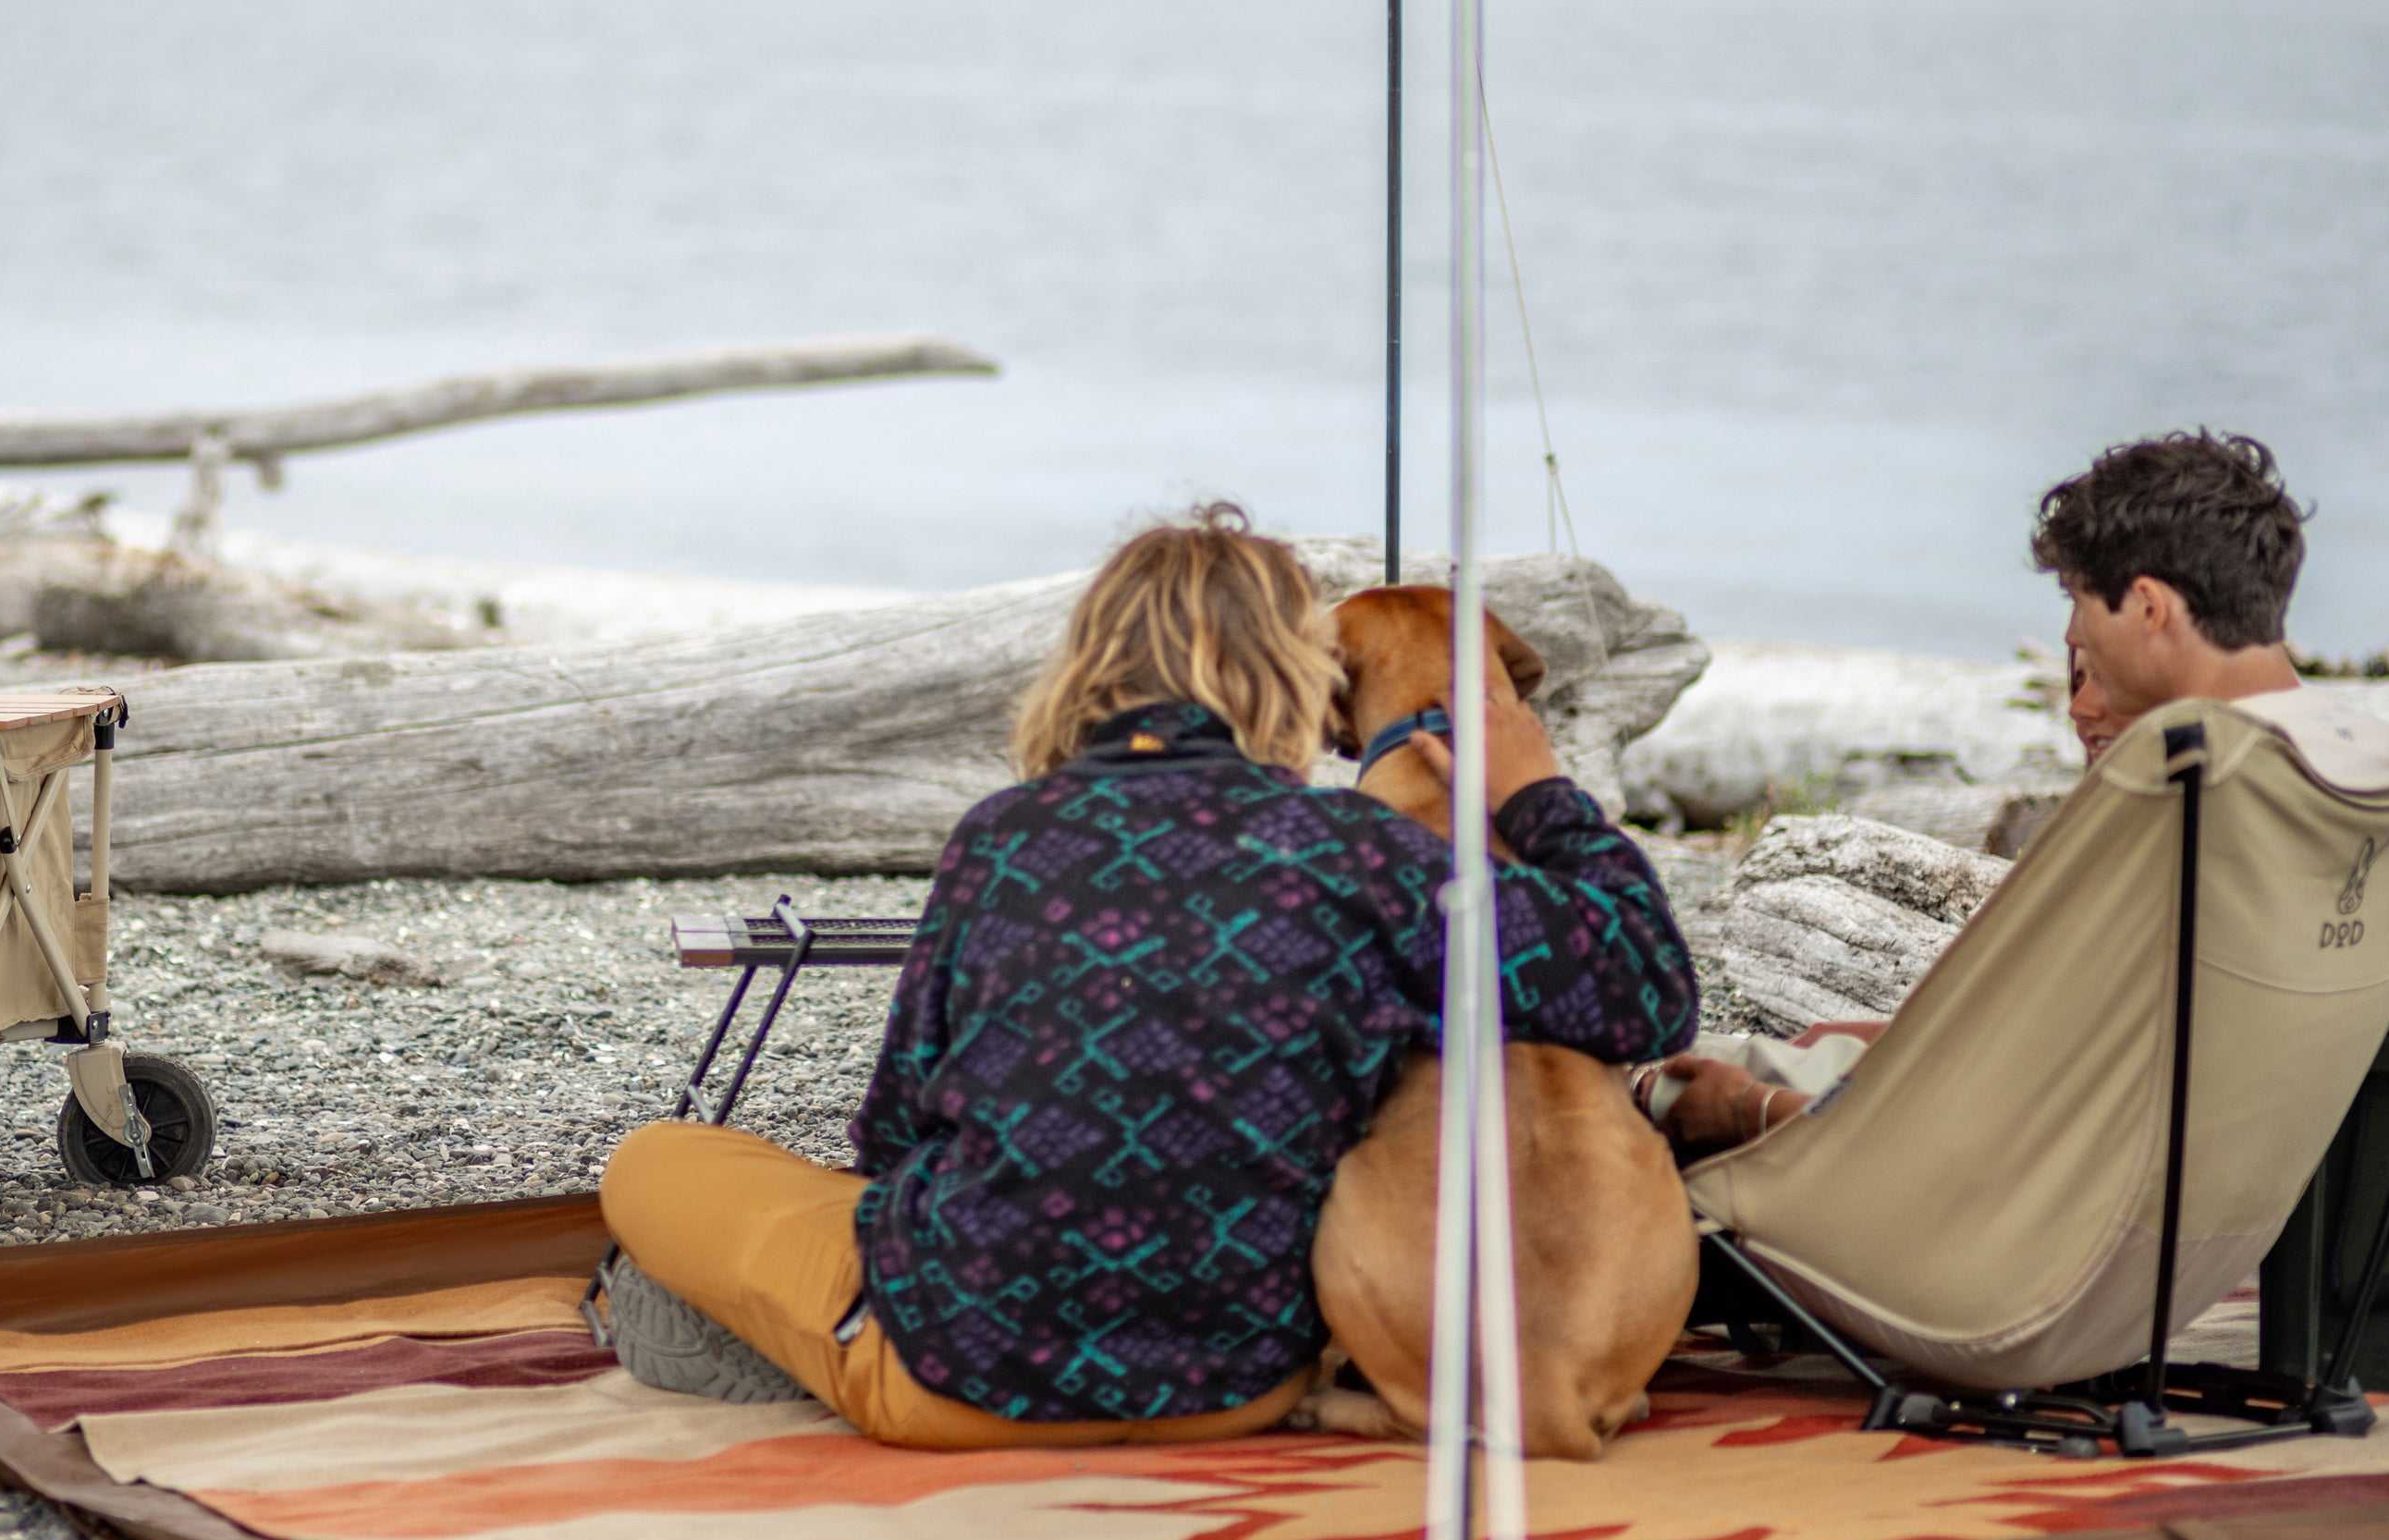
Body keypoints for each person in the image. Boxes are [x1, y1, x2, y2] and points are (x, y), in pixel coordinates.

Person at [599, 505, 1698, 1449]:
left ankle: (800, 1337)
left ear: (1089, 663)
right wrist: (1536, 791)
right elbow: (1647, 993)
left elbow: (892, 1132)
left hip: (958, 1377)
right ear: (1297, 681)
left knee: (655, 1160)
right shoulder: (1363, 852)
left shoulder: (1004, 836)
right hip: (1239, 1387)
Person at [1647, 429, 2389, 1155]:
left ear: (2150, 607)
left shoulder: (2174, 806)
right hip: (2199, 1241)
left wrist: (1749, 1110)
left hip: (1959, 1244)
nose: (2077, 642)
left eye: (2084, 609)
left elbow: (1992, 1114)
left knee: (1611, 1092)